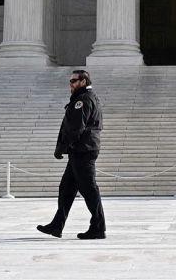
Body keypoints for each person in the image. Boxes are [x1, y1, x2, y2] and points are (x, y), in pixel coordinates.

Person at [37, 69, 105, 240]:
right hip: (81, 149)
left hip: (83, 150)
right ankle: (56, 225)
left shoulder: (83, 100)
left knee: (89, 189)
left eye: (74, 81)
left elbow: (76, 127)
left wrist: (62, 147)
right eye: (70, 81)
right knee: (66, 189)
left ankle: (98, 227)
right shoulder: (86, 97)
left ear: (83, 81)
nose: (71, 84)